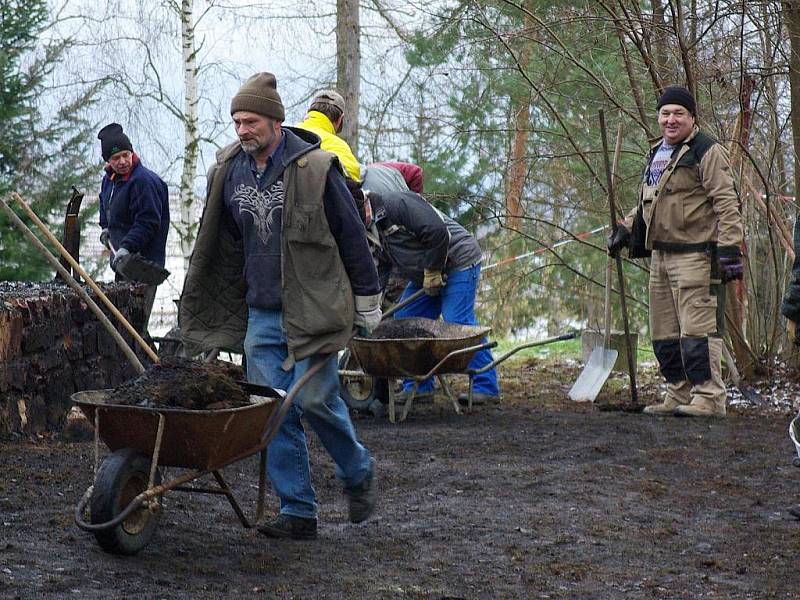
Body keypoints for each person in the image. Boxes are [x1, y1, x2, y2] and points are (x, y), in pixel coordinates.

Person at [179, 72, 382, 540]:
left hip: (313, 308)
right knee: (272, 410)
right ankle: (298, 511)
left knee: (314, 399)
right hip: (262, 312)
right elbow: (222, 247)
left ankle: (358, 471)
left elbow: (352, 238)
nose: (242, 130)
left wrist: (367, 305)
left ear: (275, 120)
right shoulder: (228, 173)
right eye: (236, 122)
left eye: (250, 121)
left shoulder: (316, 168)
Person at [607, 85, 744, 418]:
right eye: (665, 113)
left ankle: (709, 398)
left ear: (692, 117)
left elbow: (727, 204)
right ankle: (678, 393)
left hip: (696, 254)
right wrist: (626, 228)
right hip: (661, 256)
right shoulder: (658, 152)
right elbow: (648, 202)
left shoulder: (706, 151)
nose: (670, 120)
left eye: (678, 113)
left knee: (697, 330)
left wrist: (730, 249)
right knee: (665, 332)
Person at [350, 181, 500, 405]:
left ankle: (486, 387)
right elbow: (380, 270)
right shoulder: (370, 230)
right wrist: (372, 307)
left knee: (458, 322)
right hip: (426, 272)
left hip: (458, 260)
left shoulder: (396, 204)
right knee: (406, 322)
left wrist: (433, 272)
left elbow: (437, 231)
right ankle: (419, 386)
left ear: (362, 205)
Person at [97, 123, 170, 330]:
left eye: (125, 155)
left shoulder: (143, 182)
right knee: (124, 322)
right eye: (115, 158)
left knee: (136, 326)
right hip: (123, 263)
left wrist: (127, 246)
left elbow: (147, 223)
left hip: (144, 266)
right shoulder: (109, 180)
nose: (121, 162)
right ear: (108, 161)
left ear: (132, 152)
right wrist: (105, 228)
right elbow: (105, 206)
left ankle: (145, 361)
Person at [296, 89, 360, 181]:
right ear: (340, 119)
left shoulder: (287, 134)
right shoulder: (337, 146)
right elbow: (351, 182)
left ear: (309, 113)